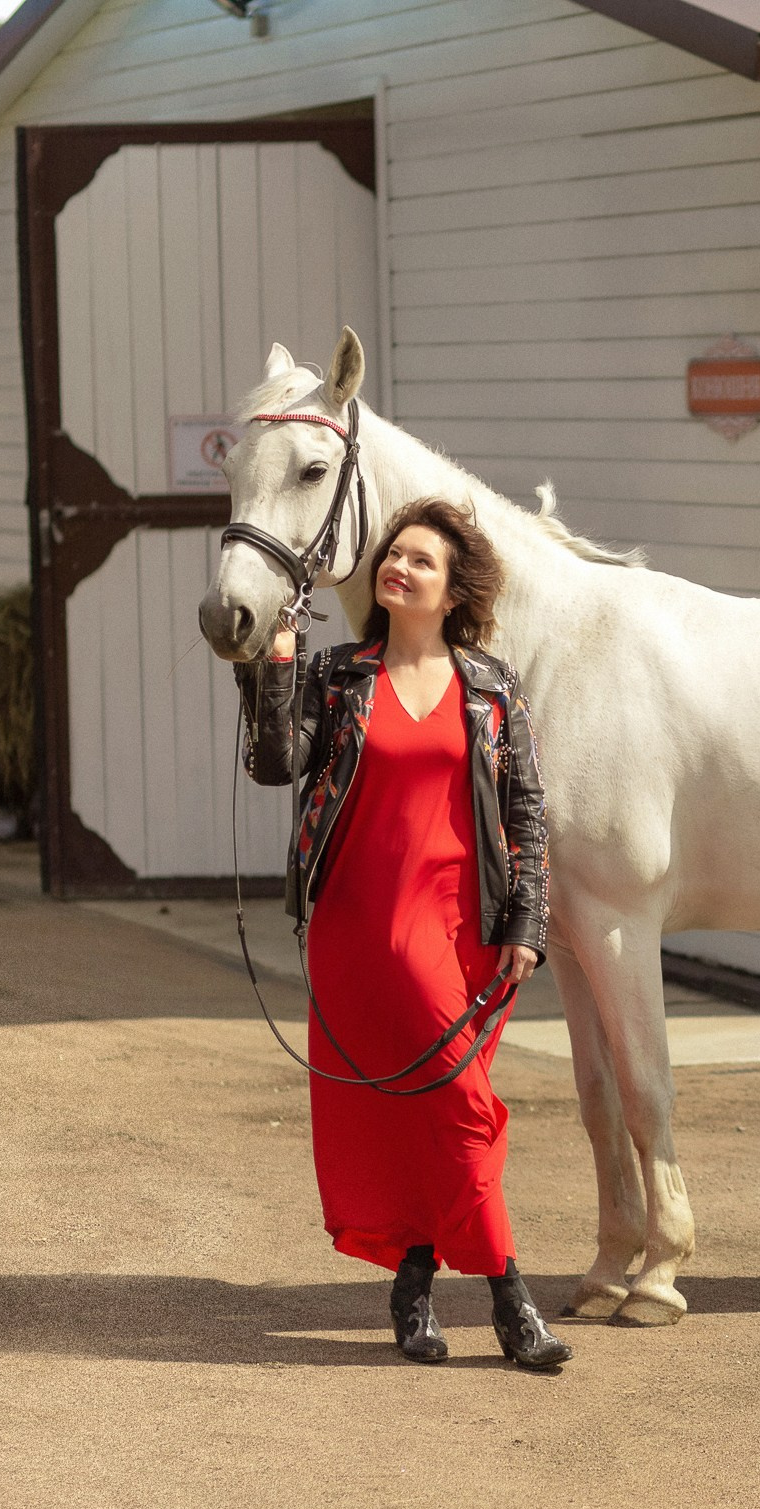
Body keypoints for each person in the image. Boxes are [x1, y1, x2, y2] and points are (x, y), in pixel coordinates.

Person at [237, 497, 572, 1371]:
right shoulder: (337, 674)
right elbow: (276, 762)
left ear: (453, 587)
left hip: (469, 930)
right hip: (362, 926)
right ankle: (511, 1303)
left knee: (435, 1113)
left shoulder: (492, 687)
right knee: (456, 1111)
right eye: (394, 556)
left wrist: (529, 922)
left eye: (422, 561)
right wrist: (273, 667)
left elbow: (528, 813)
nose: (400, 568)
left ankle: (414, 1280)